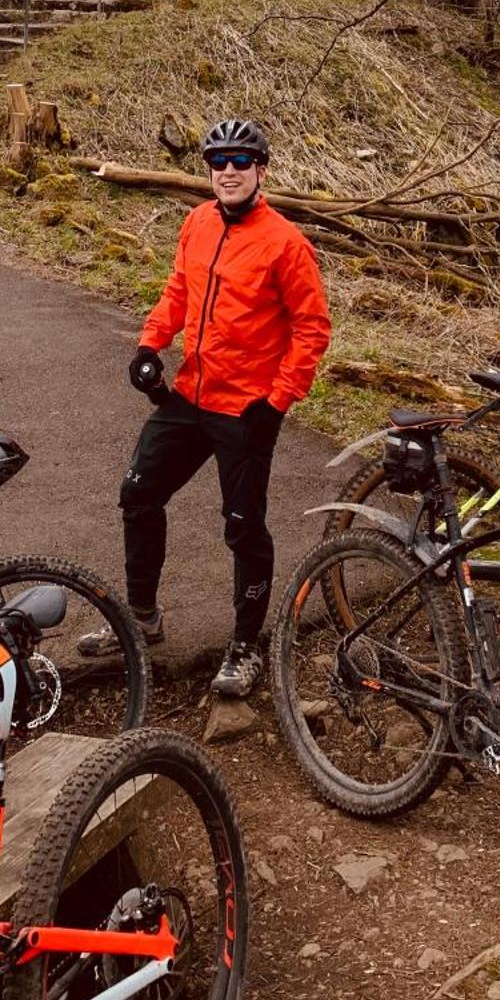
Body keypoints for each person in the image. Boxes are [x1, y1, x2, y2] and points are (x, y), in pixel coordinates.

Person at [112, 117, 331, 699]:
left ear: (261, 170)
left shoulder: (286, 242)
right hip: (189, 395)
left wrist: (277, 402)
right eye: (218, 161)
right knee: (139, 493)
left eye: (240, 161)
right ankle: (141, 620)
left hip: (247, 408)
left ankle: (244, 646)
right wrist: (150, 344)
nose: (228, 171)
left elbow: (312, 331)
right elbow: (179, 292)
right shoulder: (197, 222)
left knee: (243, 527)